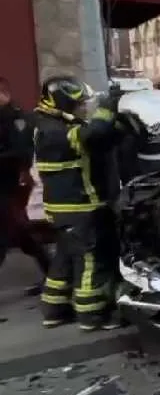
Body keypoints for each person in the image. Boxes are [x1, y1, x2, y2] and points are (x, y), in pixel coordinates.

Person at [34, 76, 123, 331]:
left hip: (64, 209)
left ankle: (55, 311)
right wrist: (108, 107)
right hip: (80, 208)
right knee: (91, 261)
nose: (85, 107)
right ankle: (93, 315)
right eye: (81, 103)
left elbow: (99, 141)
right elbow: (93, 135)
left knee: (64, 259)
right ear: (63, 101)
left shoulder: (47, 123)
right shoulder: (56, 131)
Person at [0, 77, 51, 283]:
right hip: (7, 186)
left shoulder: (17, 119)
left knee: (7, 233)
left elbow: (21, 151)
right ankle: (53, 272)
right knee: (20, 234)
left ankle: (54, 273)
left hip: (9, 185)